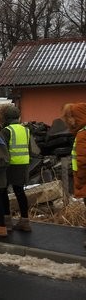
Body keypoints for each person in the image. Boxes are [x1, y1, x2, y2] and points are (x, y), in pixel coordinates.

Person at [0, 105, 35, 232]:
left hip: (9, 165)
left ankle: (7, 221)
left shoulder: (6, 131)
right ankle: (25, 221)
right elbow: (29, 149)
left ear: (4, 117)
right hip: (23, 164)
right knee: (20, 192)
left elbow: (2, 151)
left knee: (3, 191)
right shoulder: (26, 130)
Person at [61, 103, 86, 248]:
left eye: (72, 117)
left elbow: (82, 161)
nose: (70, 121)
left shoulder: (83, 134)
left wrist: (80, 181)